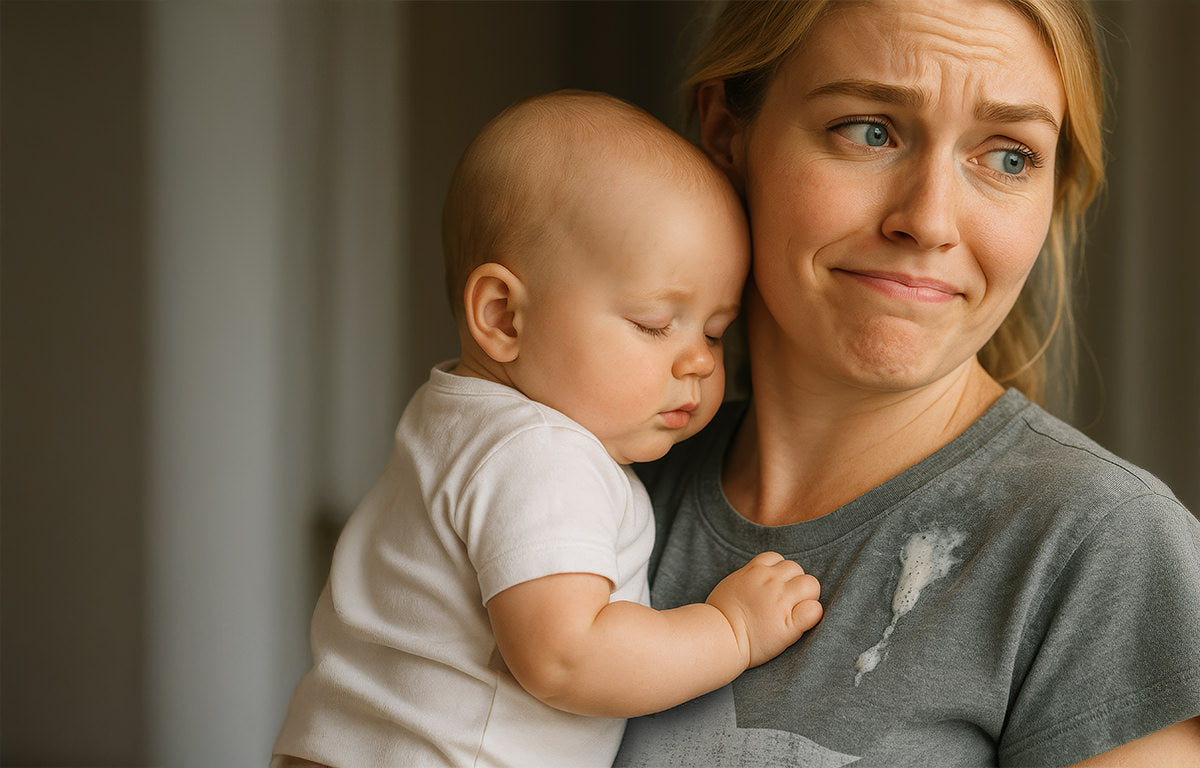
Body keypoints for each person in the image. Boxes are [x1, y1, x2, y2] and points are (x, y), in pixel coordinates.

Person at [613, 1, 1200, 766]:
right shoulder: (586, 484)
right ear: (728, 132)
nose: (928, 220)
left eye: (1010, 156)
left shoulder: (1101, 549)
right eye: (869, 129)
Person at [270, 90, 823, 768]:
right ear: (502, 316)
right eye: (654, 323)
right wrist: (731, 630)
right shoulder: (543, 454)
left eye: (715, 331)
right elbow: (566, 656)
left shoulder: (453, 417)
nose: (700, 362)